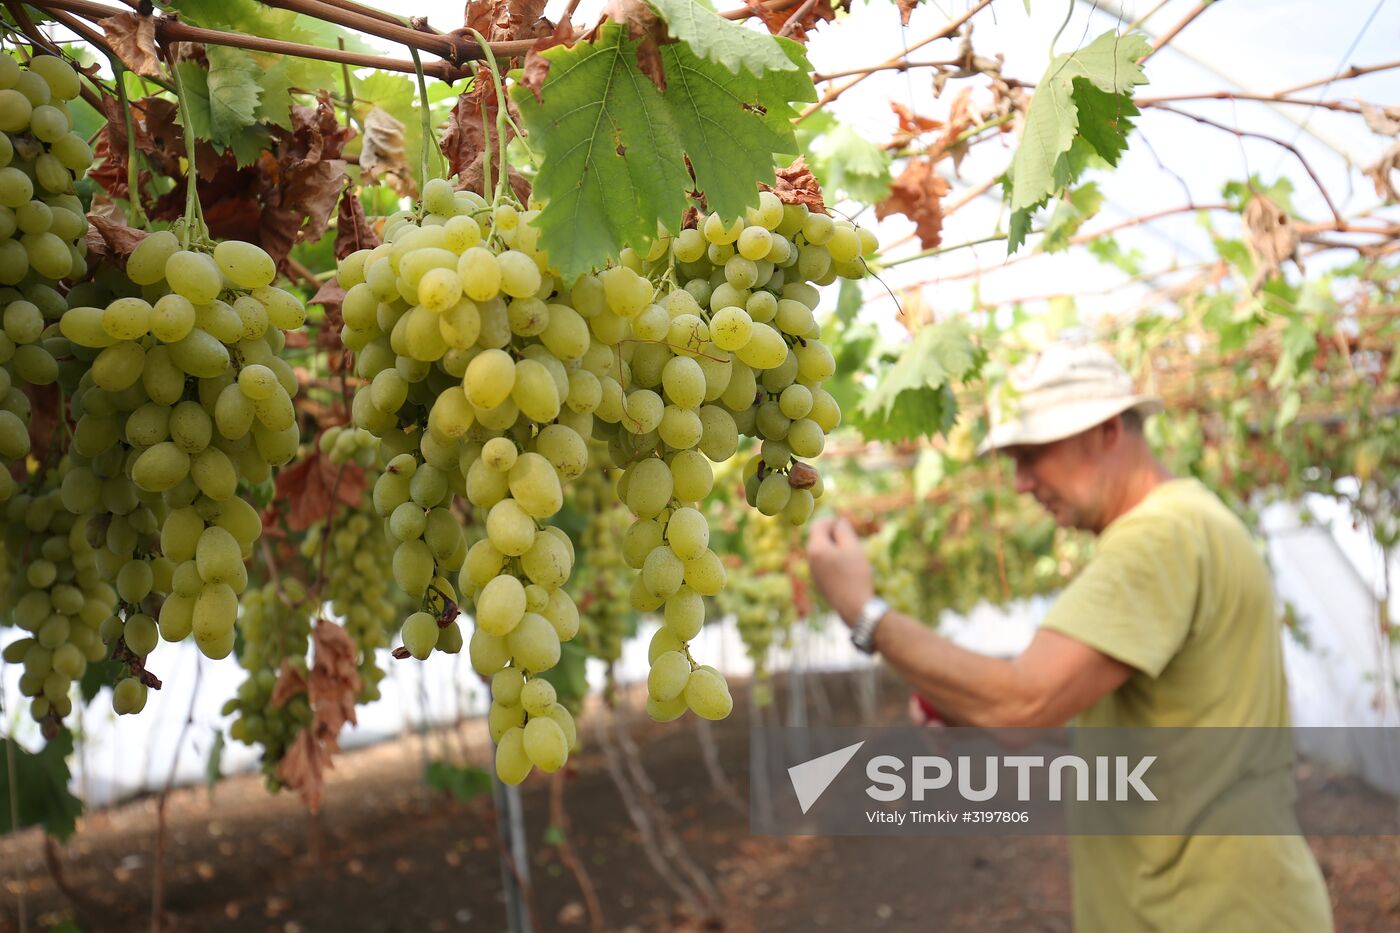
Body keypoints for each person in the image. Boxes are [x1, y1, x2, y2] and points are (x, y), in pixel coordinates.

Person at [806, 342, 1333, 932]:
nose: (1022, 482)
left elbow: (1021, 706)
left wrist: (863, 611)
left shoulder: (1156, 541)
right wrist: (964, 699)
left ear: (1108, 431)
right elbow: (1114, 719)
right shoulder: (1191, 523)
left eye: (1033, 454)